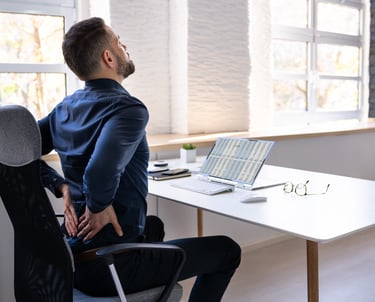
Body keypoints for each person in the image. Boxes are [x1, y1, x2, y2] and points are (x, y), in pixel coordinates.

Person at [39, 17, 241, 301]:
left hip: (73, 260)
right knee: (227, 251)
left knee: (153, 224)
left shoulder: (63, 108)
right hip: (112, 267)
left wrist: (59, 186)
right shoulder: (127, 109)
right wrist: (99, 203)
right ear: (108, 57)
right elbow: (98, 175)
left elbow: (20, 153)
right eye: (118, 41)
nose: (125, 46)